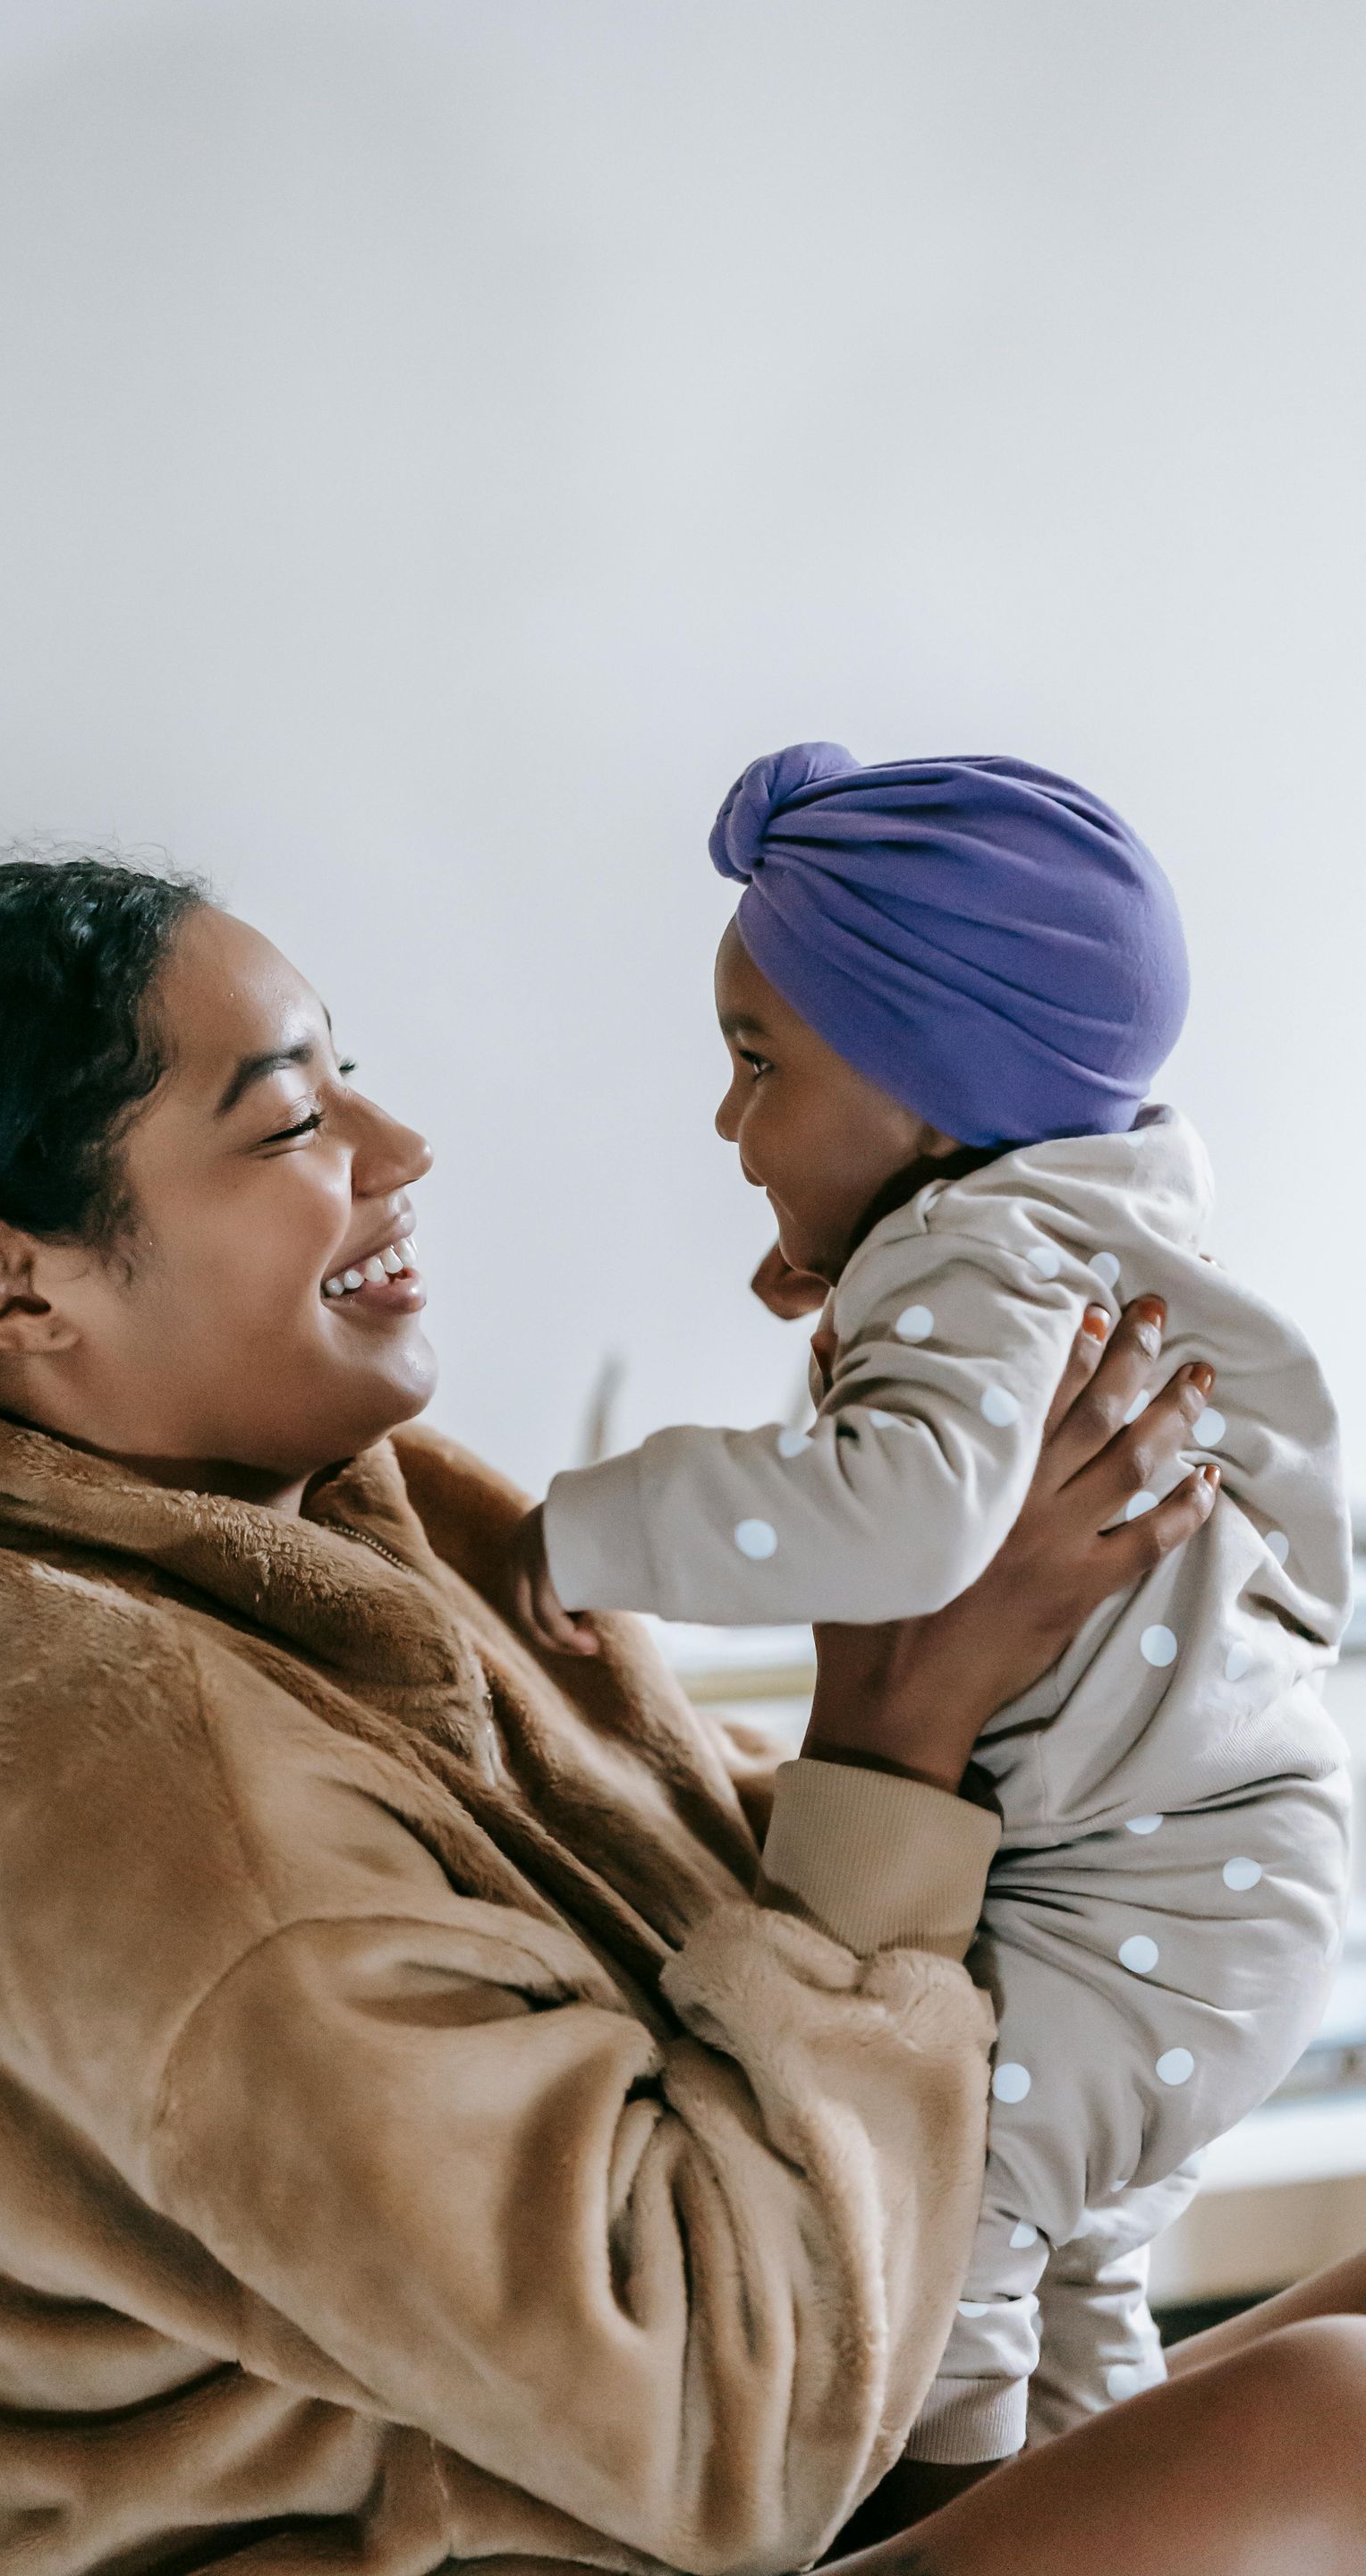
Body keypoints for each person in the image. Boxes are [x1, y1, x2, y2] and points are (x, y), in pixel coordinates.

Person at [0, 854, 1366, 2576]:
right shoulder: (133, 1788)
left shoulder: (361, 1528)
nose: (398, 1153)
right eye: (288, 1124)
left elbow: (700, 1902)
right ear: (16, 1290)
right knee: (1331, 2432)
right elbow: (724, 2437)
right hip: (689, 2483)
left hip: (789, 2426)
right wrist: (895, 1724)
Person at [512, 741, 1353, 2470]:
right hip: (1214, 1891)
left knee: (945, 2228)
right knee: (1077, 2271)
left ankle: (926, 2516)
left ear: (932, 1084)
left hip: (1146, 1892)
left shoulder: (979, 1258)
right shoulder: (1066, 1230)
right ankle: (1072, 2498)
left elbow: (903, 1525)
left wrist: (583, 1532)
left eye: (759, 1064)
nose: (730, 1123)